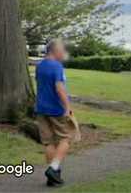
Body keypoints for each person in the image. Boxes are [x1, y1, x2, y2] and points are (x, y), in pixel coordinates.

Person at [35, 38, 80, 187]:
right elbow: (59, 88)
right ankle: (53, 169)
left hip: (41, 108)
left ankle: (52, 176)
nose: (64, 53)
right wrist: (67, 107)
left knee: (48, 142)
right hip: (56, 109)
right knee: (65, 139)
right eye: (62, 50)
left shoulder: (40, 66)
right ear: (55, 51)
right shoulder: (57, 67)